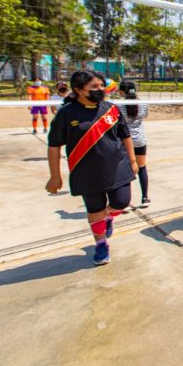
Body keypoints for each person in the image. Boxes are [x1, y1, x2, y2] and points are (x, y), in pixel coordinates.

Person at [46, 70, 138, 265]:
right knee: (94, 208)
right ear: (78, 90)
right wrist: (55, 176)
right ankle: (101, 243)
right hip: (86, 171)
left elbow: (125, 135)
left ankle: (107, 219)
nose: (100, 90)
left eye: (101, 86)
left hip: (118, 167)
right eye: (94, 87)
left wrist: (132, 161)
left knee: (122, 202)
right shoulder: (67, 113)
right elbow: (54, 146)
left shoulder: (111, 109)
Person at [117, 80, 150, 207]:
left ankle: (125, 201)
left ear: (121, 91)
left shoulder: (119, 105)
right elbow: (144, 116)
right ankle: (145, 198)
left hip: (125, 140)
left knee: (125, 170)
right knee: (142, 168)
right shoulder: (142, 102)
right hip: (139, 139)